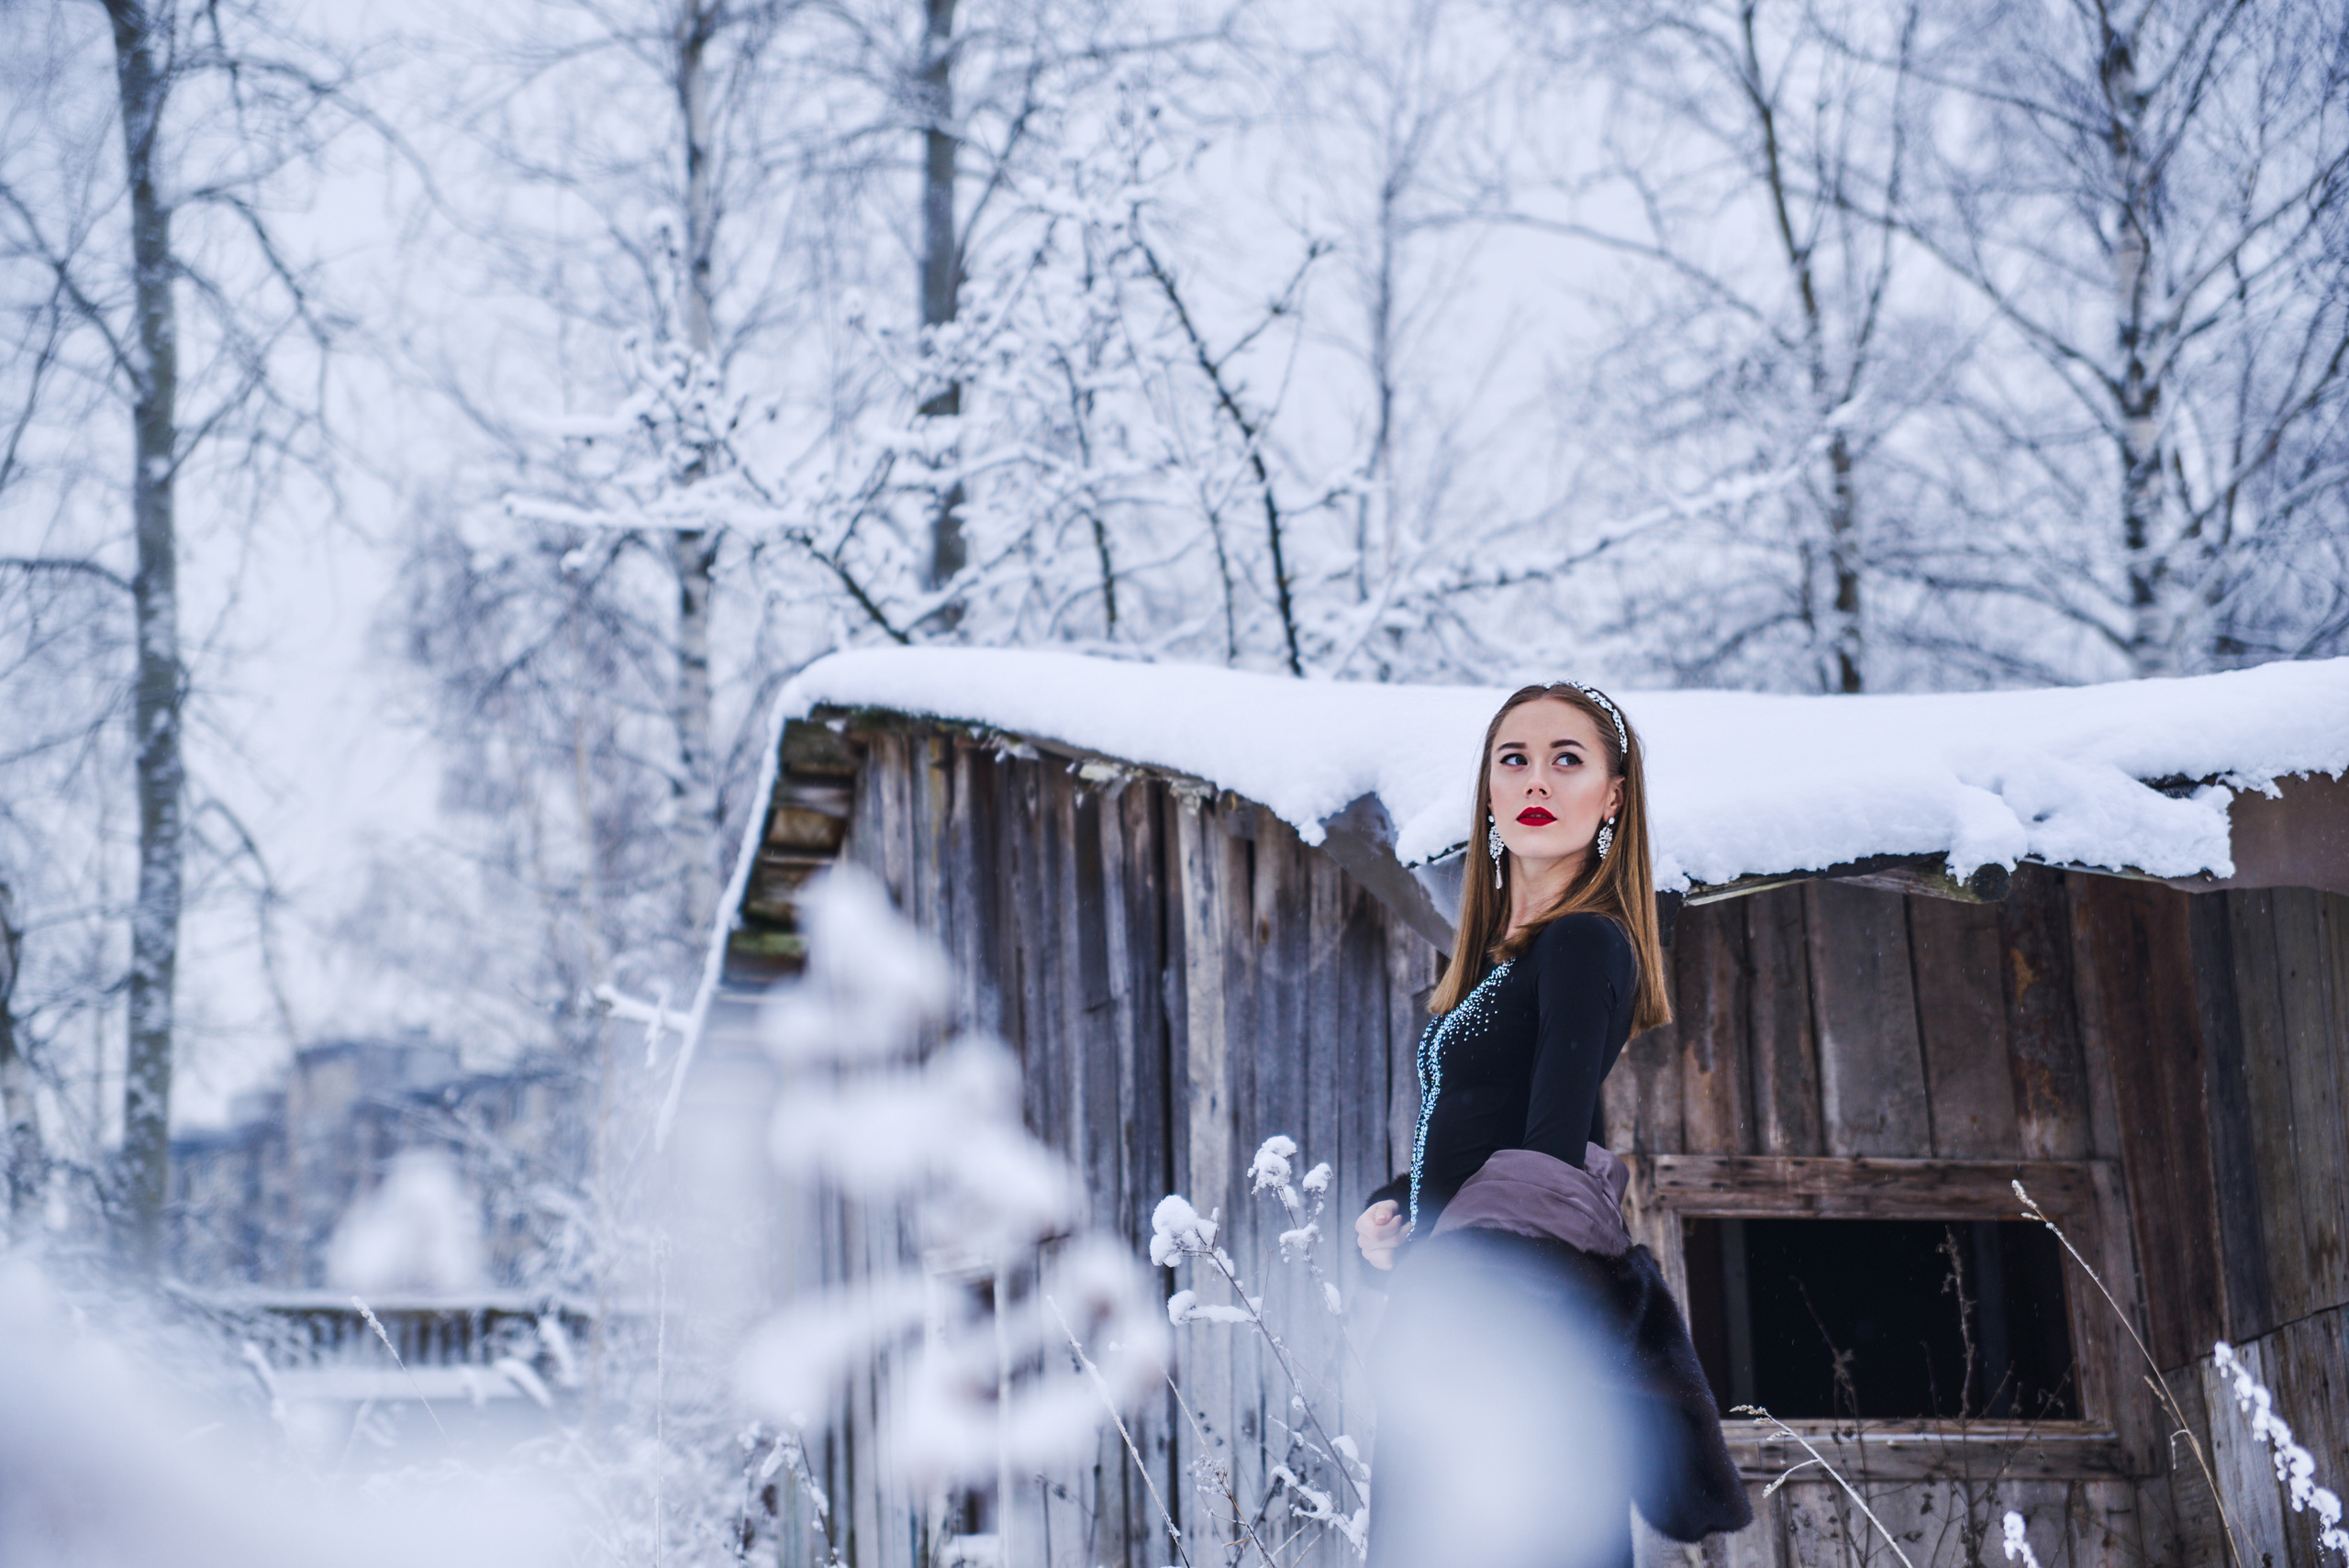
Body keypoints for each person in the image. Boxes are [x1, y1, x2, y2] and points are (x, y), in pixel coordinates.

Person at [1353, 683, 1750, 1568]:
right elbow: (1484, 1147)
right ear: (1490, 794)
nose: (1536, 777)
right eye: (1514, 759)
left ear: (1612, 797)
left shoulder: (1585, 943)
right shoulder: (1505, 964)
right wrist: (1401, 1215)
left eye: (1567, 758)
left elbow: (1547, 1158)